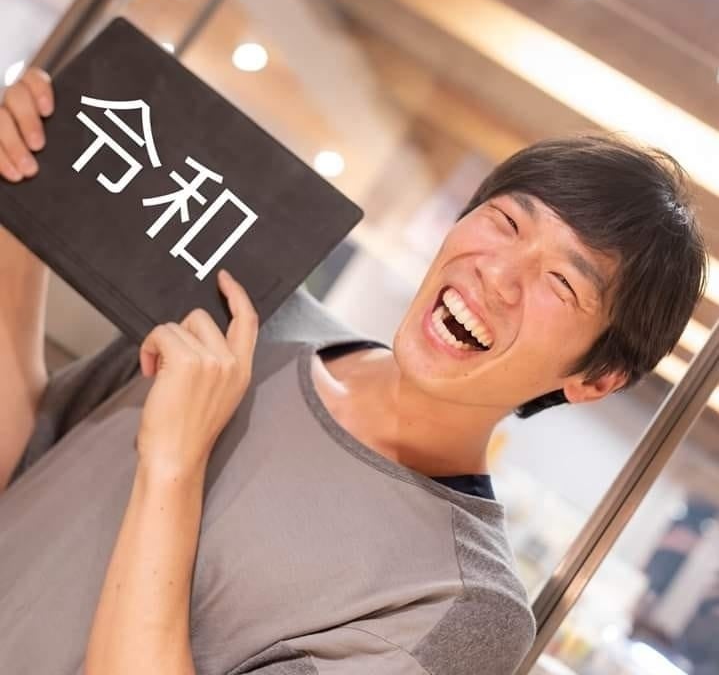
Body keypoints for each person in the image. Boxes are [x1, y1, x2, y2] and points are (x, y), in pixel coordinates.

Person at [0, 67, 708, 675]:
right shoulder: (255, 313)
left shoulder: (466, 608)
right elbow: (27, 462)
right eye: (507, 222)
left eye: (562, 282)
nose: (498, 275)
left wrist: (174, 463)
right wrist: (20, 205)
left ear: (596, 379)